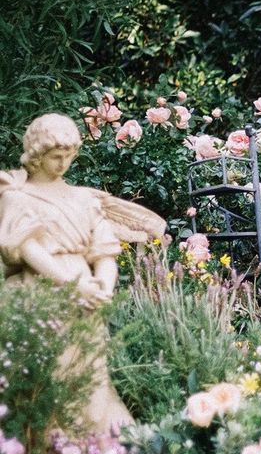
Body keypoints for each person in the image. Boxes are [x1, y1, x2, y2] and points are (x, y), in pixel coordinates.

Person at [0, 113, 165, 434]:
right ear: (36, 155)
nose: (62, 164)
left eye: (68, 157)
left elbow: (104, 249)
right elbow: (28, 249)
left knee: (89, 371)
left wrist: (103, 286)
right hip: (43, 291)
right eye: (55, 157)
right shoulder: (17, 197)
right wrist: (74, 284)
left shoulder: (83, 198)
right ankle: (48, 448)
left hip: (87, 297)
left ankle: (93, 444)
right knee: (51, 372)